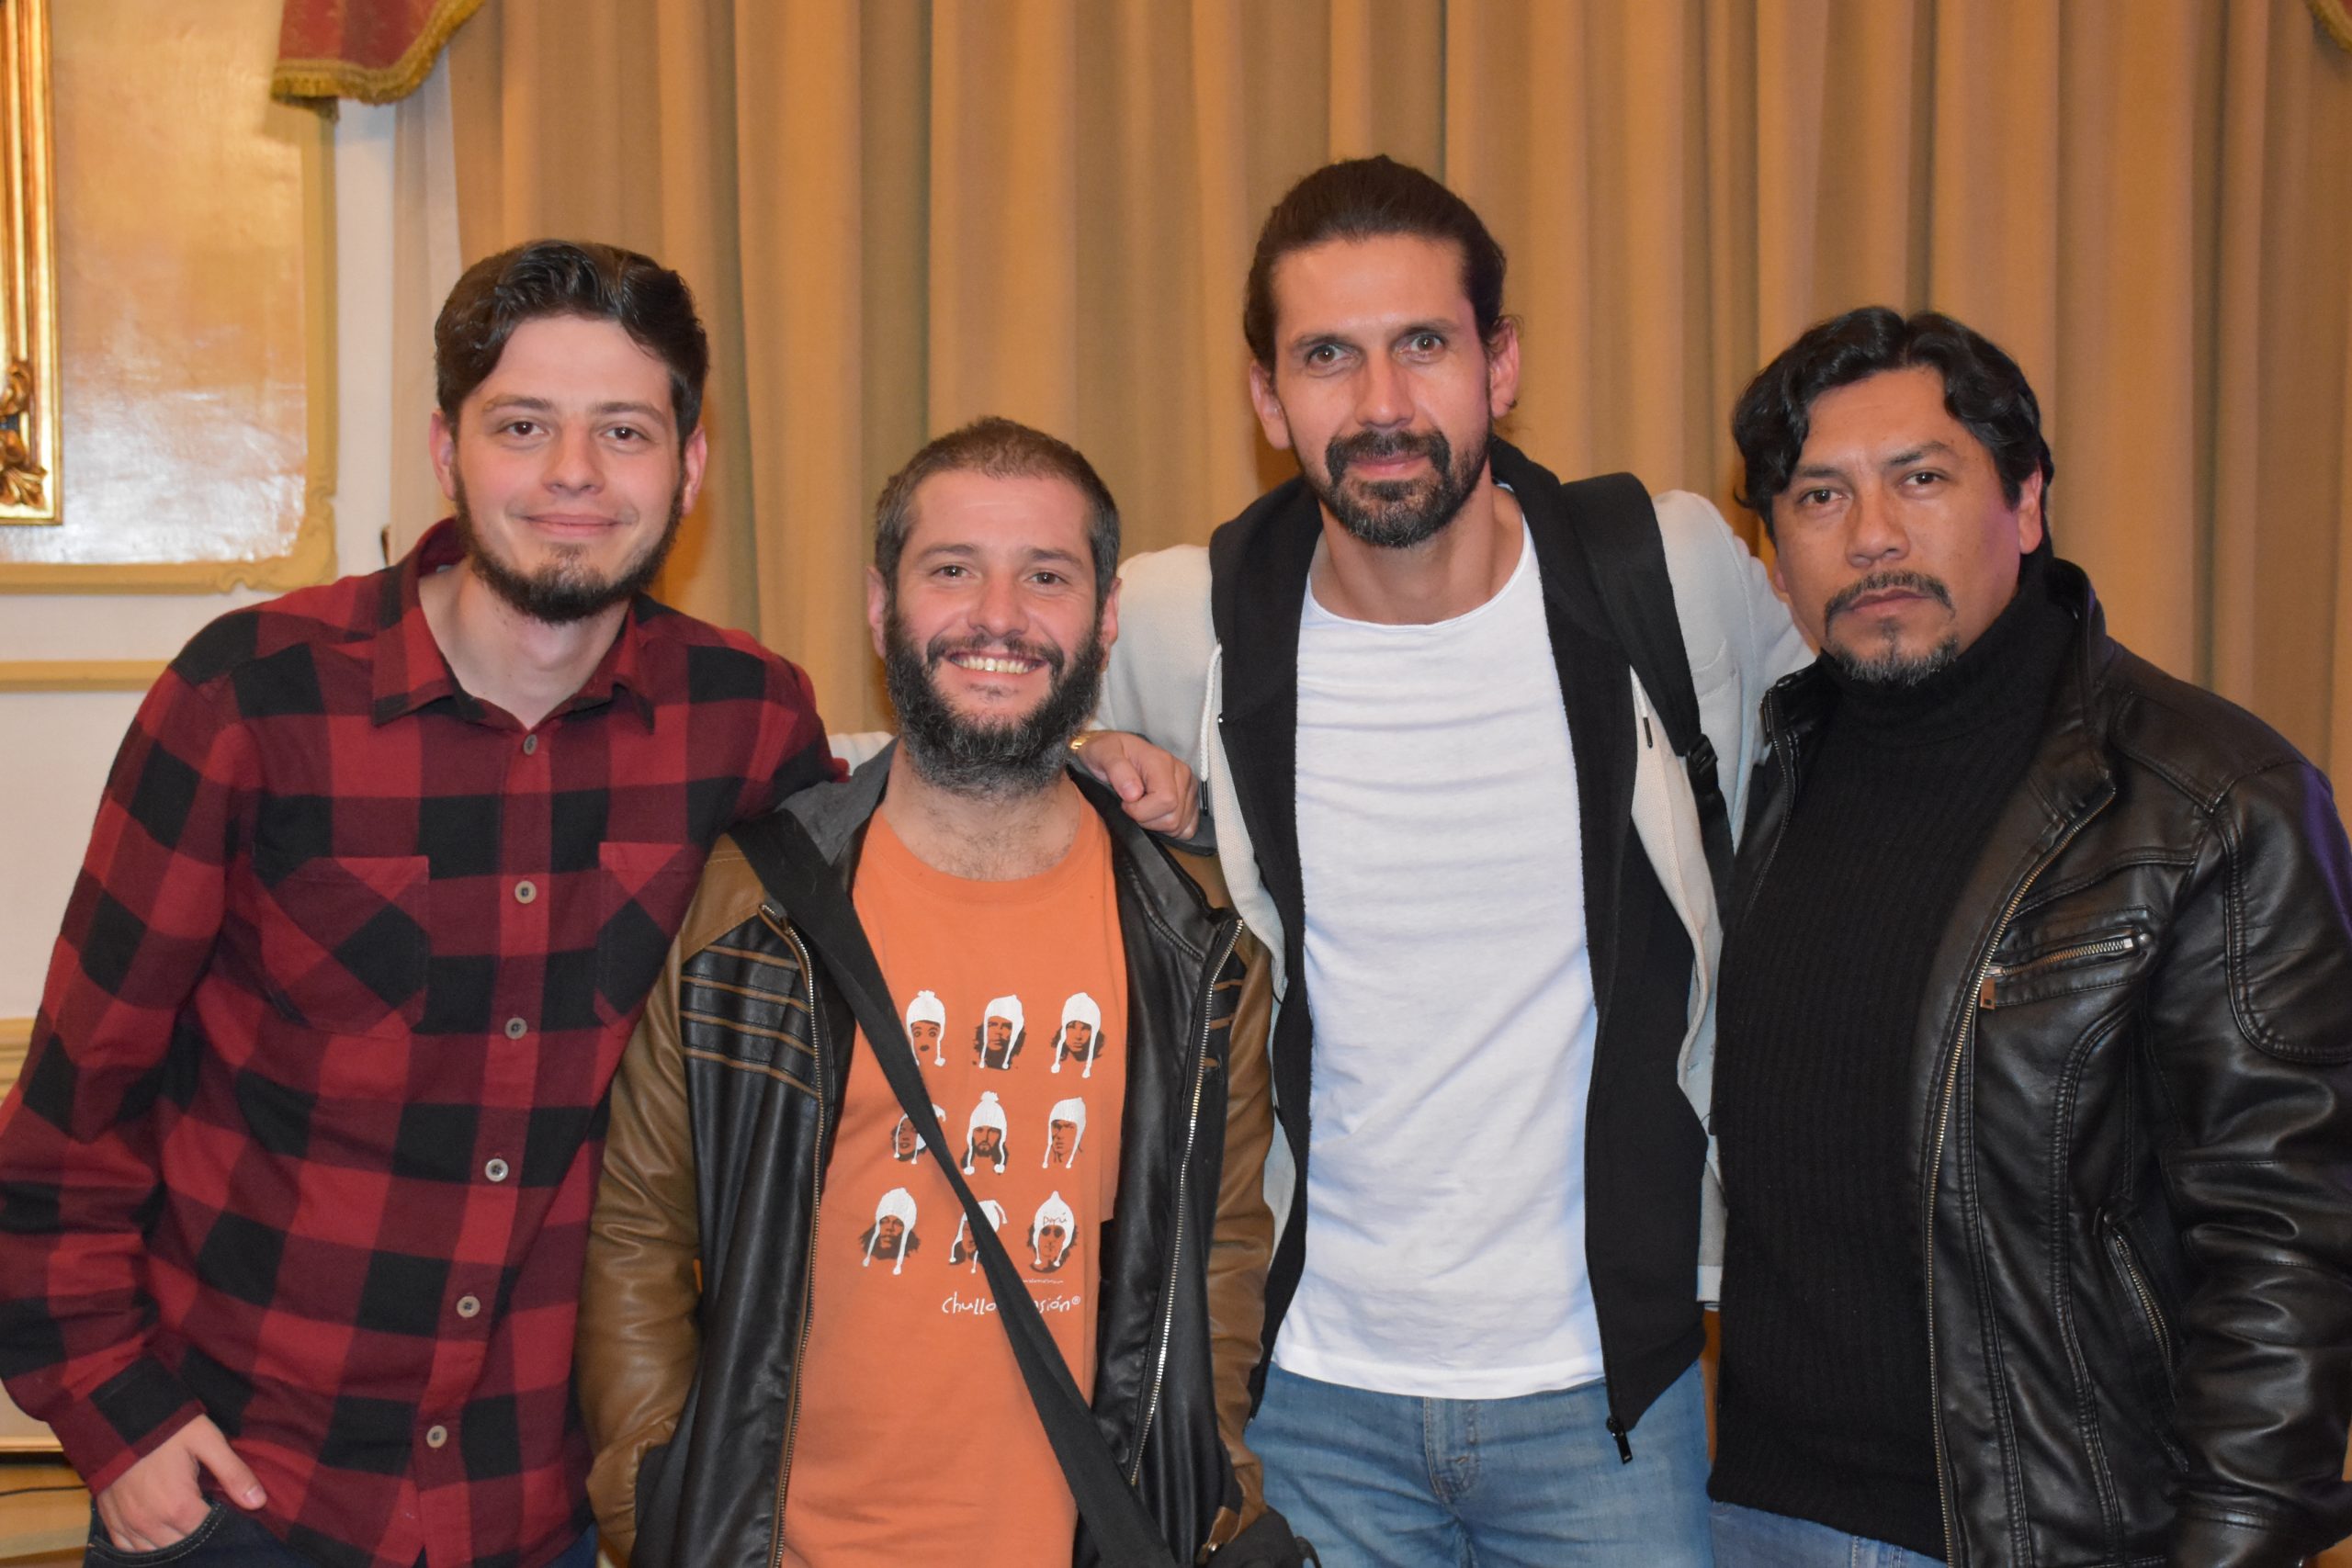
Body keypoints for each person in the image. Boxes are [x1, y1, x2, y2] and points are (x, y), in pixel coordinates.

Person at [0, 240, 841, 1568]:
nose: (575, 472)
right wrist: (116, 1417)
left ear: (688, 467)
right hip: (239, 1488)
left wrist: (1102, 776)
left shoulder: (749, 721)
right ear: (448, 450)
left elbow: (889, 945)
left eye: (623, 430)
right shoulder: (250, 697)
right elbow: (76, 1104)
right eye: (524, 425)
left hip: (547, 1505)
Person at [1096, 155, 1809, 1565]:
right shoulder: (1186, 623)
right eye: (1327, 356)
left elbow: (1870, 736)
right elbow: (960, 752)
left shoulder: (1665, 573)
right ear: (1266, 398)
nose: (1380, 403)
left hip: (1615, 1395)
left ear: (1501, 364)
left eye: (1423, 343)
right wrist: (1097, 768)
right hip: (1306, 1397)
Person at [1707, 306, 2352, 1568]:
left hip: (2049, 1532)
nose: (1873, 535)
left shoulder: (2210, 798)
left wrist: (2232, 1547)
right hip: (1748, 1511)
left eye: (1922, 479)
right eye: (1820, 496)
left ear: (2028, 499)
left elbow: (2291, 1243)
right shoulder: (1769, 763)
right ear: (1773, 555)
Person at [573, 417, 1279, 1568]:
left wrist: (1210, 1482)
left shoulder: (1192, 941)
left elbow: (1222, 1252)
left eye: (1045, 576)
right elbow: (641, 1231)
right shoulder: (754, 909)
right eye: (951, 569)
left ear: (1103, 617)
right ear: (879, 605)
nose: (998, 616)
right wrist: (655, 1504)